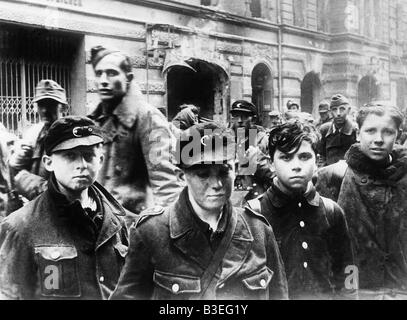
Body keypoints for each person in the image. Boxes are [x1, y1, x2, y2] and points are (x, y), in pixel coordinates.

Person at [110, 122, 288, 300]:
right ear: (181, 177)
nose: (216, 184)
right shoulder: (152, 232)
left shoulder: (259, 230)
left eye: (224, 171)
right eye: (203, 174)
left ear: (235, 170)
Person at [0, 116, 129, 299]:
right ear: (48, 163)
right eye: (70, 156)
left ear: (100, 160)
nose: (82, 165)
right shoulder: (20, 226)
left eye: (88, 155)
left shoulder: (116, 219)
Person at [246, 121, 354, 299]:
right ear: (271, 164)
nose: (296, 165)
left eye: (304, 156)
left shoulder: (331, 211)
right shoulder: (253, 214)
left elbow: (348, 270)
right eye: (286, 157)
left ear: (317, 161)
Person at [317, 104, 407, 299]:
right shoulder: (333, 174)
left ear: (398, 135)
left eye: (388, 132)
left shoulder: (403, 176)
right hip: (356, 285)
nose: (379, 140)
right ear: (359, 133)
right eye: (370, 131)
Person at [88, 46, 183, 214]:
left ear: (128, 78)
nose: (103, 80)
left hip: (133, 226)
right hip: (99, 223)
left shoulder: (147, 117)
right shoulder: (94, 121)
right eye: (98, 73)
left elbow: (166, 185)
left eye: (111, 73)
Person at [8, 79, 68, 205]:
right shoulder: (33, 134)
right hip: (35, 209)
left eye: (51, 104)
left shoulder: (69, 137)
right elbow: (15, 171)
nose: (45, 110)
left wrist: (25, 182)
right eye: (41, 105)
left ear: (63, 107)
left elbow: (65, 191)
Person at [228, 100, 274, 206]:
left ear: (253, 119)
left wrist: (256, 160)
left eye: (244, 116)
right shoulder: (225, 139)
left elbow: (273, 172)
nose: (239, 121)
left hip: (256, 195)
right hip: (230, 196)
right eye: (236, 116)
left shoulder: (262, 139)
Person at [318, 94, 357, 166]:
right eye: (334, 109)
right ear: (330, 112)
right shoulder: (325, 130)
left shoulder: (355, 130)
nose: (338, 113)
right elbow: (322, 156)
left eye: (342, 109)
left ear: (348, 110)